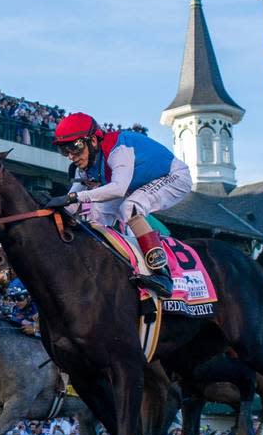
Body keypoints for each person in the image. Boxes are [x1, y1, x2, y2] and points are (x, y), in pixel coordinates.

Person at [46, 113, 191, 297]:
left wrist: (74, 197)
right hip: (135, 185)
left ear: (92, 140)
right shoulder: (88, 164)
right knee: (95, 216)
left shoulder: (118, 149)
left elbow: (118, 190)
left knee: (129, 207)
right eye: (64, 150)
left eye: (75, 147)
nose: (71, 156)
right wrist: (47, 209)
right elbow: (70, 203)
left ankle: (162, 274)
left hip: (174, 177)